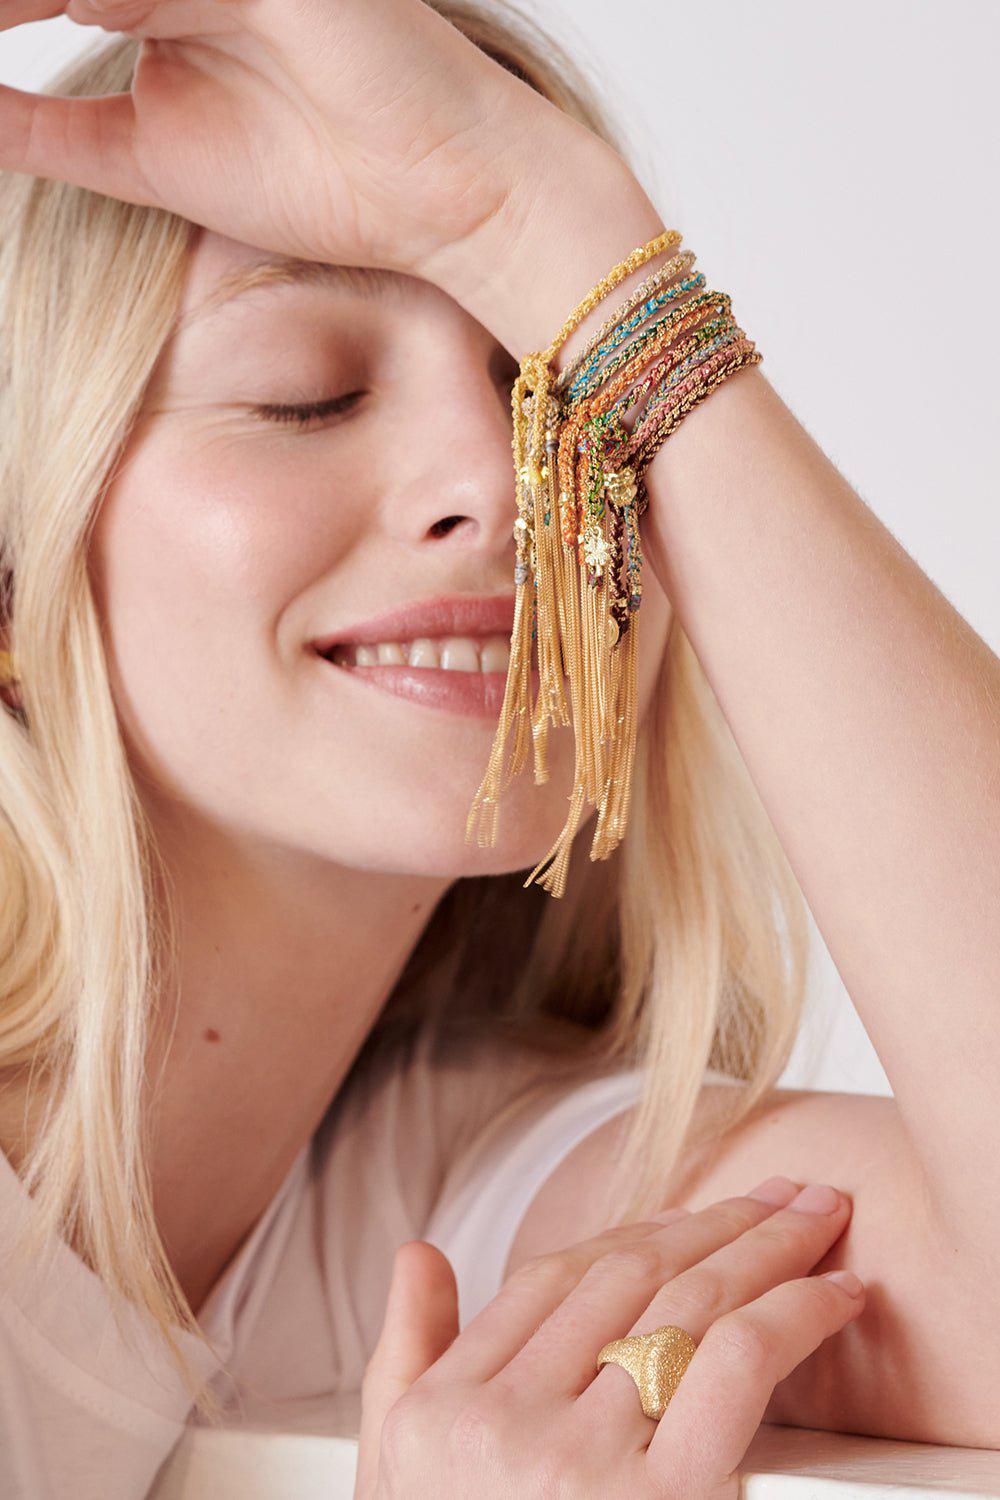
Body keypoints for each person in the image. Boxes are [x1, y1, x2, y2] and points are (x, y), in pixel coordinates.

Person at [0, 1, 996, 1496]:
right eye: (305, 393)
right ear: (16, 557)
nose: (503, 482)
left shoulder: (445, 1181)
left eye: (566, 397)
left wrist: (548, 226)